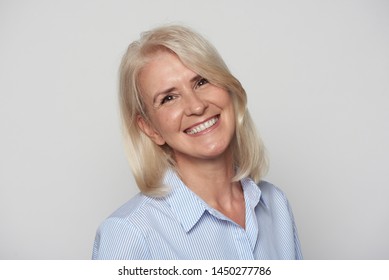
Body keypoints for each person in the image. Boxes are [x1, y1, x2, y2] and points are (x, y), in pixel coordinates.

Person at [92, 25, 302, 259]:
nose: (196, 106)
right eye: (168, 98)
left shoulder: (275, 204)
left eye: (202, 81)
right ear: (149, 128)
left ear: (228, 88)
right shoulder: (129, 234)